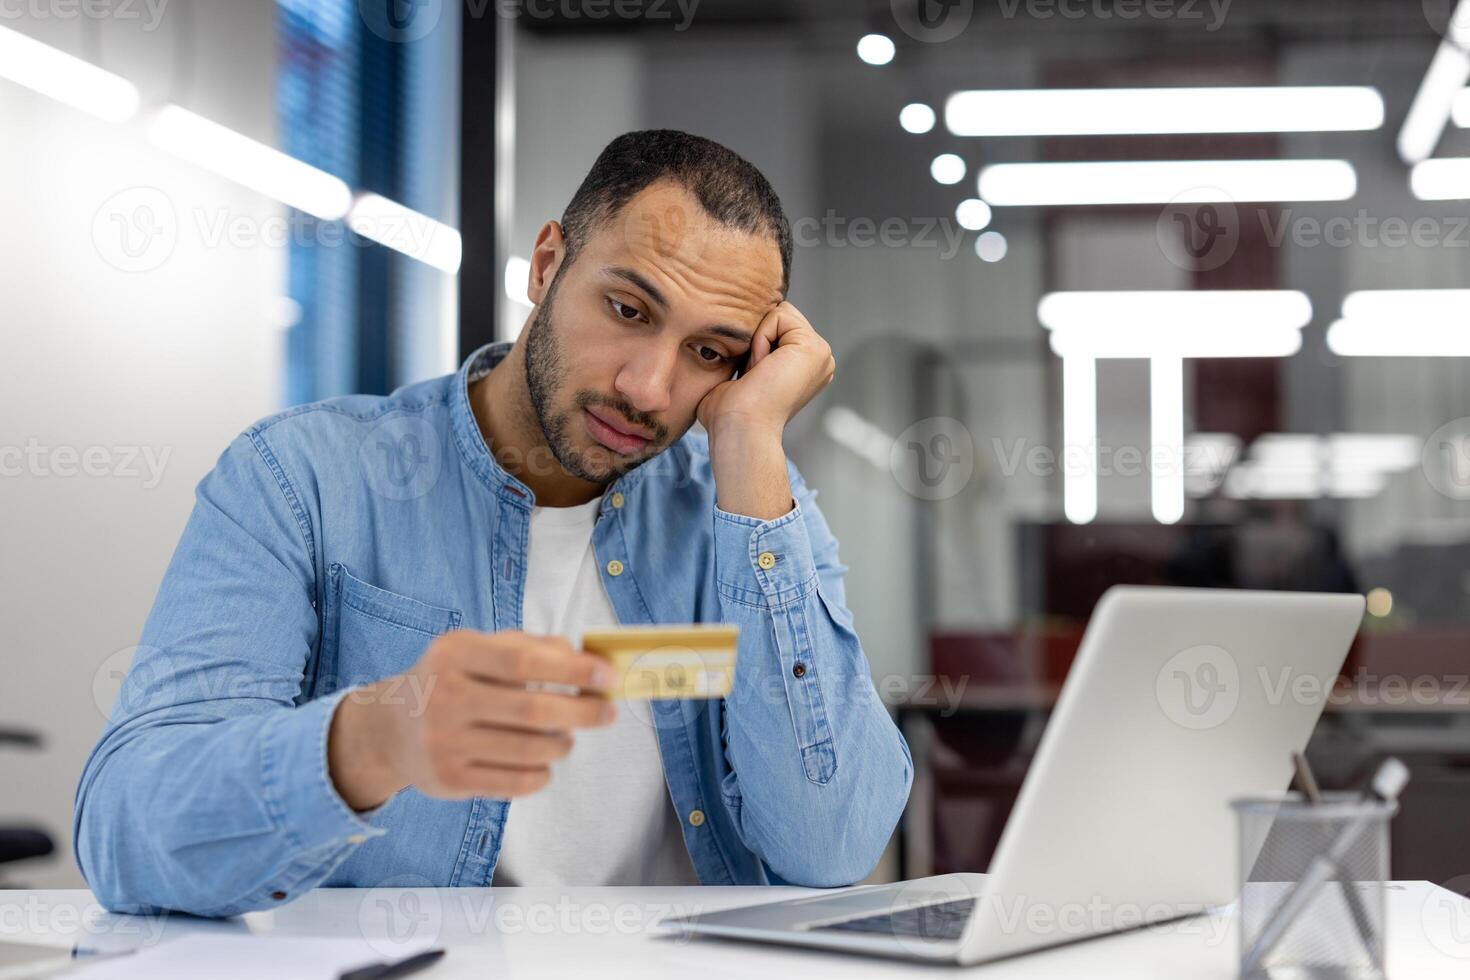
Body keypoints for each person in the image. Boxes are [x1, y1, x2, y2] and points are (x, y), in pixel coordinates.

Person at [73, 129, 913, 917]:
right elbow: (125, 831)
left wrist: (754, 443)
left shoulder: (746, 505)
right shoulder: (303, 480)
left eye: (709, 353)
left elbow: (831, 846)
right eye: (628, 309)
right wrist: (368, 742)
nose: (650, 388)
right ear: (546, 264)